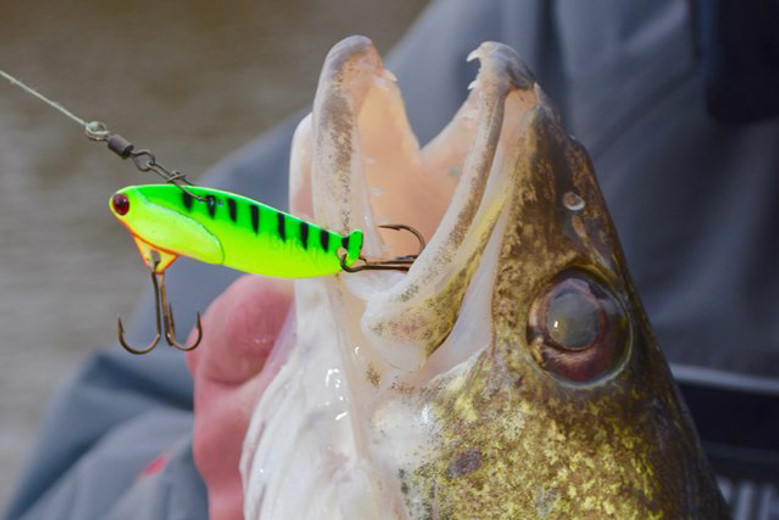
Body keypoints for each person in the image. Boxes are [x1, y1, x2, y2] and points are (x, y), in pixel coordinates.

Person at [4, 1, 778, 519]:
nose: (570, 328)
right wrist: (197, 493)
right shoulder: (585, 36)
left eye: (569, 334)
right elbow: (67, 484)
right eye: (573, 328)